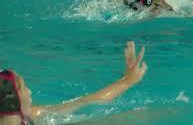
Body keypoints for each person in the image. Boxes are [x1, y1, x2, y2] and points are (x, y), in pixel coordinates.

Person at [0, 41, 147, 125]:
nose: (30, 92)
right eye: (24, 88)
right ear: (13, 101)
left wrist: (126, 82)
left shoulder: (30, 114)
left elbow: (85, 102)